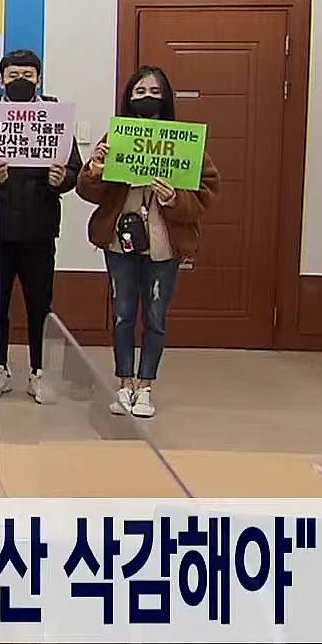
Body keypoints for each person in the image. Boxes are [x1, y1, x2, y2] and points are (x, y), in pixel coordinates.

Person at [76, 65, 219, 419]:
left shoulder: (185, 143)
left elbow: (207, 195)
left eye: (155, 92)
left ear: (166, 97)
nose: (147, 98)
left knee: (155, 317)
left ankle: (146, 386)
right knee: (123, 313)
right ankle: (124, 383)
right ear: (129, 97)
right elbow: (88, 191)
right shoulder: (115, 139)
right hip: (119, 243)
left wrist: (174, 199)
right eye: (140, 92)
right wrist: (94, 169)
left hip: (164, 246)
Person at [0, 48, 83, 405]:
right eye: (13, 75)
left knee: (40, 304)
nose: (20, 81)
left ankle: (39, 371)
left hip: (40, 227)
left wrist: (62, 179)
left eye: (27, 76)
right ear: (2, 80)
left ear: (39, 79)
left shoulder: (54, 117)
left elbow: (74, 168)